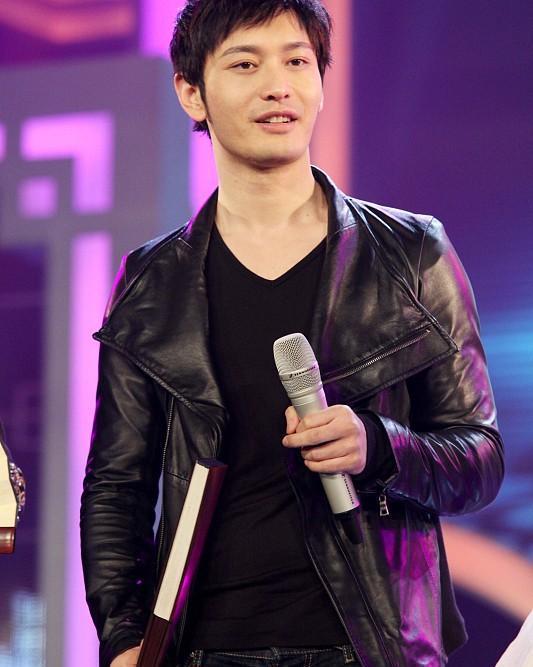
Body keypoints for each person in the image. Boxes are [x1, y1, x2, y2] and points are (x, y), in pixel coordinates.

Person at [80, 1, 504, 666]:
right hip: (205, 647)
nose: (278, 85)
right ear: (191, 92)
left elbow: (479, 459)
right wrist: (124, 639)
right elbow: (116, 486)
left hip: (370, 646)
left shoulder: (412, 253)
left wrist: (376, 445)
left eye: (297, 61)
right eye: (245, 64)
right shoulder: (152, 280)